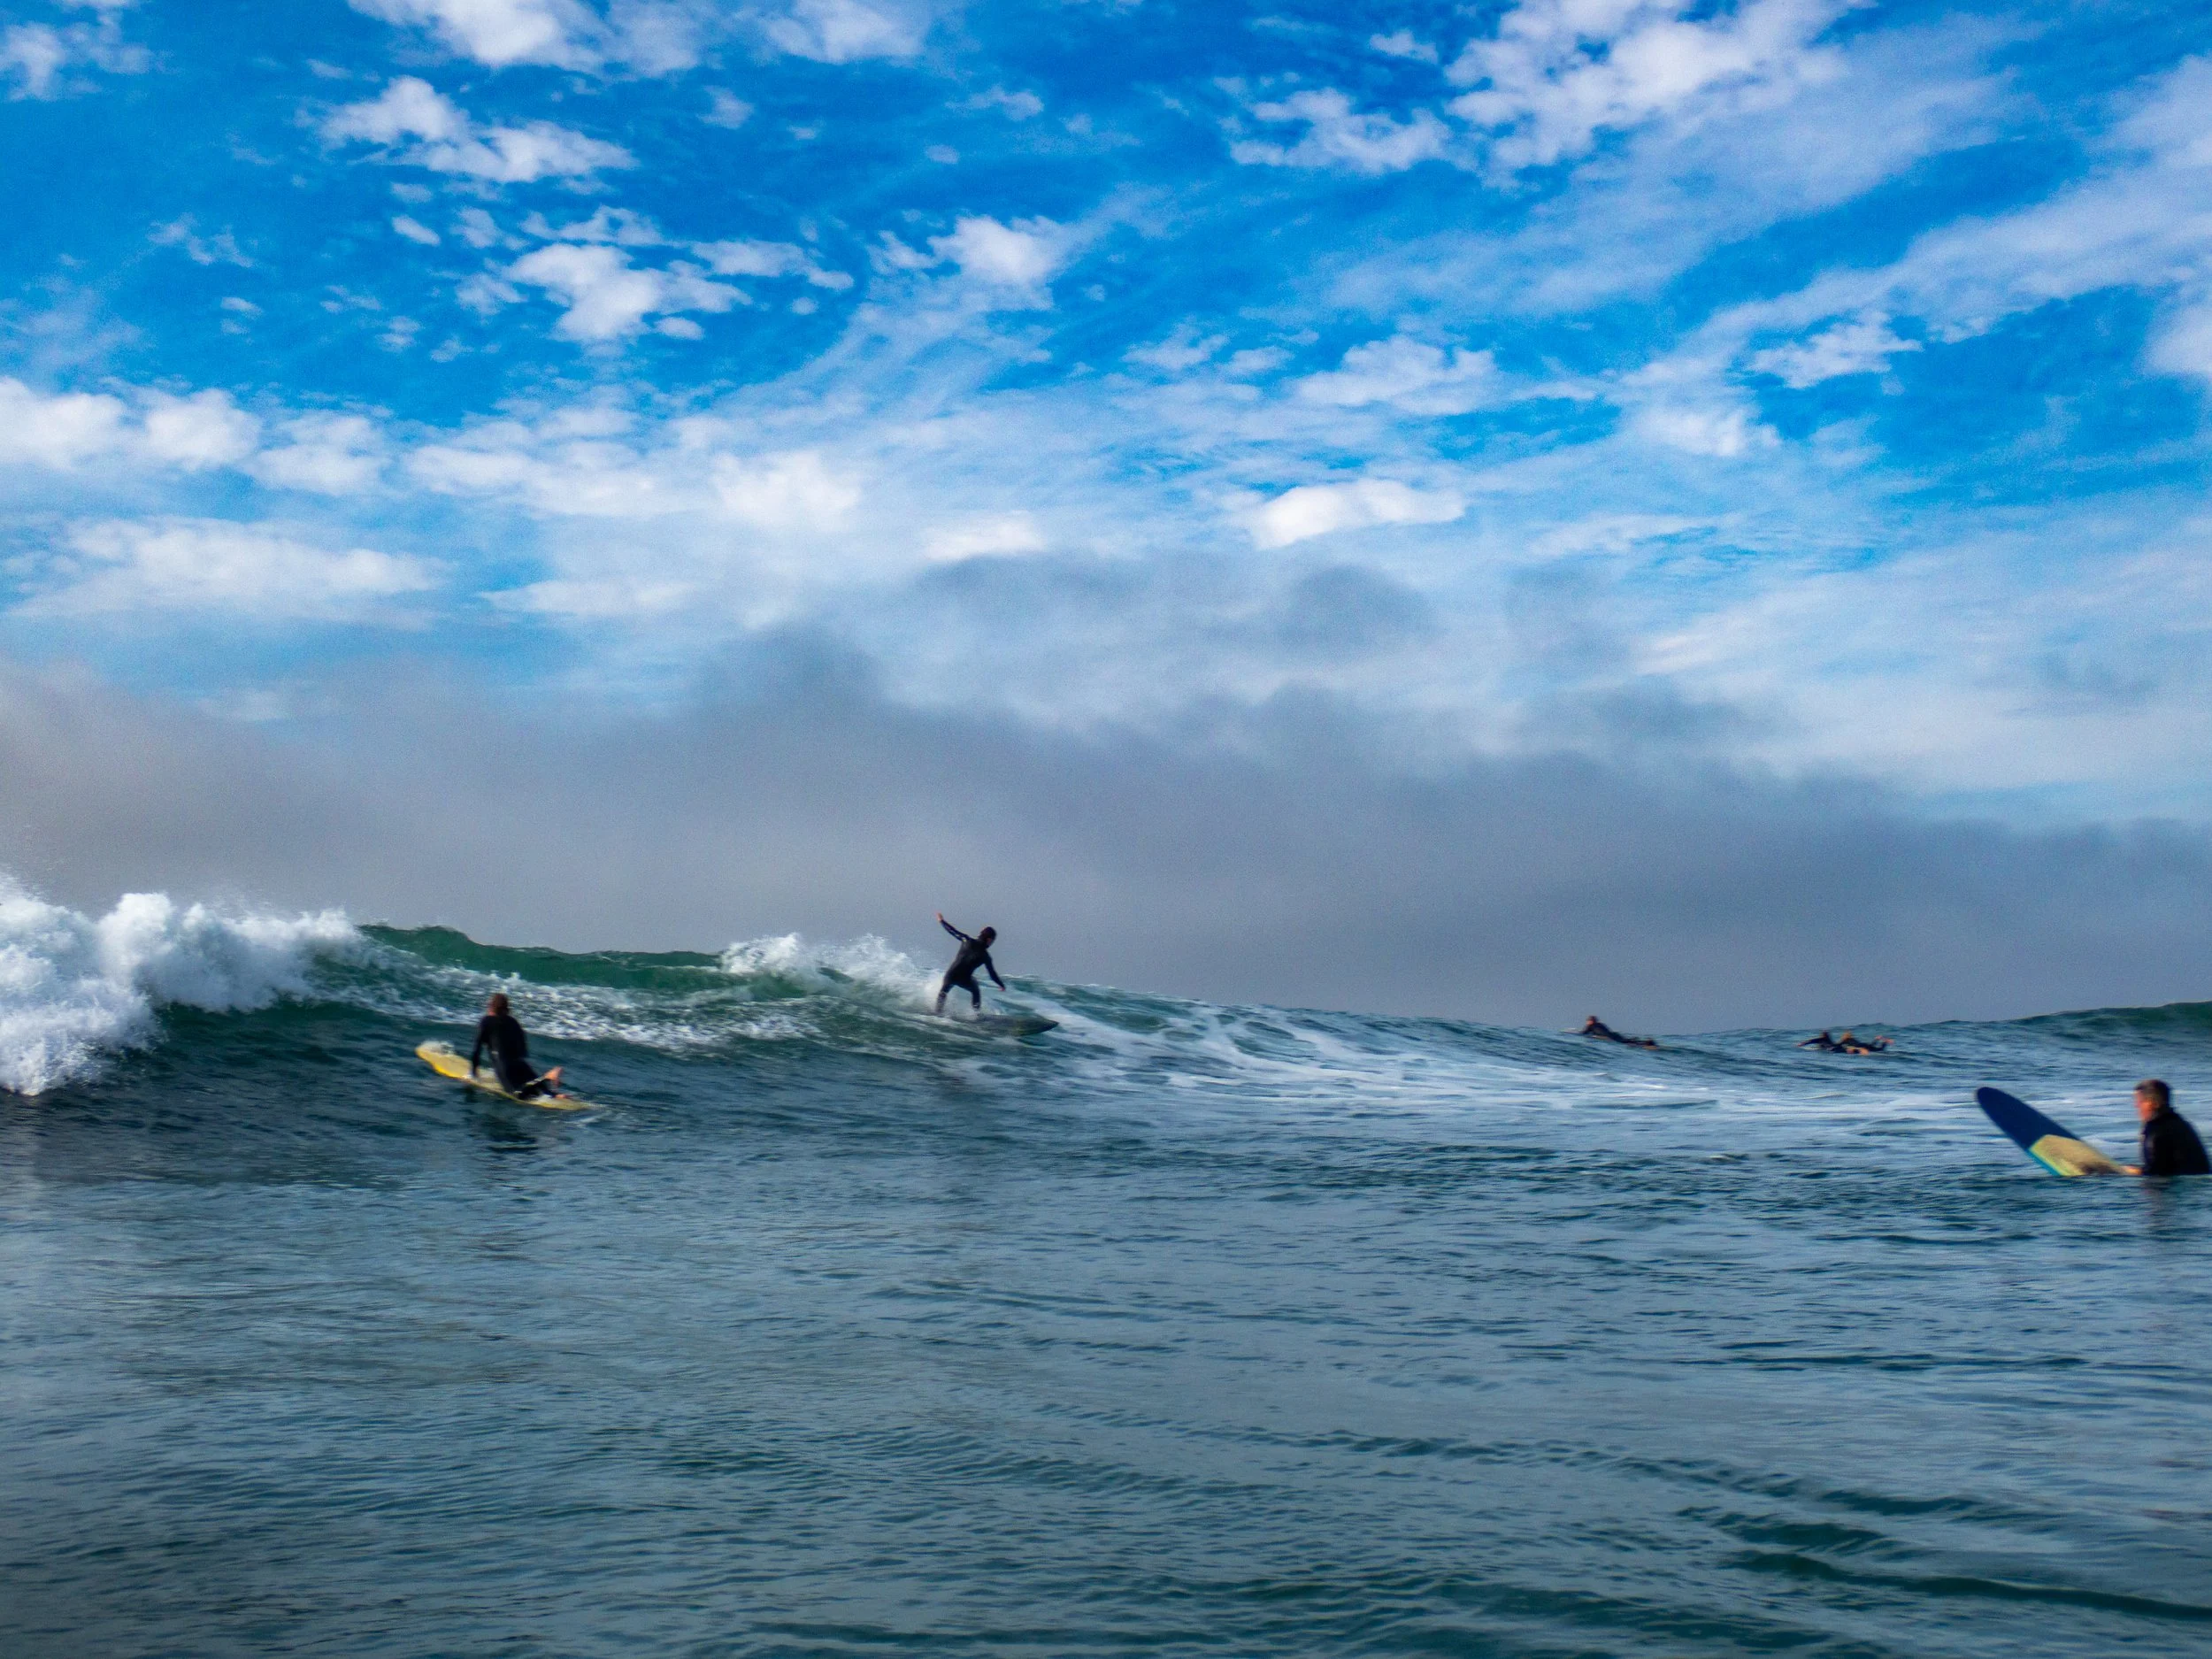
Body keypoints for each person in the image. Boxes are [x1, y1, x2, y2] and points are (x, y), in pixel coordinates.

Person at [469, 992, 563, 1100]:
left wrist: (473, 1074)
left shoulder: (486, 1021)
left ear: (490, 1006)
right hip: (521, 1064)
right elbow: (523, 1049)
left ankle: (548, 1076)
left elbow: (477, 1050)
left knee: (516, 1094)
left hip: (505, 1066)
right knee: (545, 1094)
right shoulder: (513, 1022)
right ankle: (557, 1095)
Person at [2125, 1078, 2210, 1177]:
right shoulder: (2181, 1124)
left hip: (2175, 1186)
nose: (2136, 1106)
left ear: (2153, 1103)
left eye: (2140, 1101)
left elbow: (2155, 1173)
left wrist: (2126, 1171)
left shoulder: (2156, 1131)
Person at [934, 913, 1006, 1016]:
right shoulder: (986, 956)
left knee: (943, 992)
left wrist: (942, 921)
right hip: (964, 979)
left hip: (950, 975)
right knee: (975, 989)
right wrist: (1001, 985)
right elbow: (992, 974)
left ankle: (937, 1012)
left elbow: (952, 931)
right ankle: (976, 1015)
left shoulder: (966, 940)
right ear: (989, 940)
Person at [1579, 1015, 1657, 1049]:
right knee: (1626, 1041)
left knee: (1626, 1043)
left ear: (1590, 1021)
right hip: (1614, 1034)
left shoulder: (1590, 1026)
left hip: (1610, 1037)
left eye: (1587, 1021)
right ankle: (1646, 1042)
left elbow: (1583, 1034)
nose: (1587, 1022)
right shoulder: (1601, 1024)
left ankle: (1646, 1043)